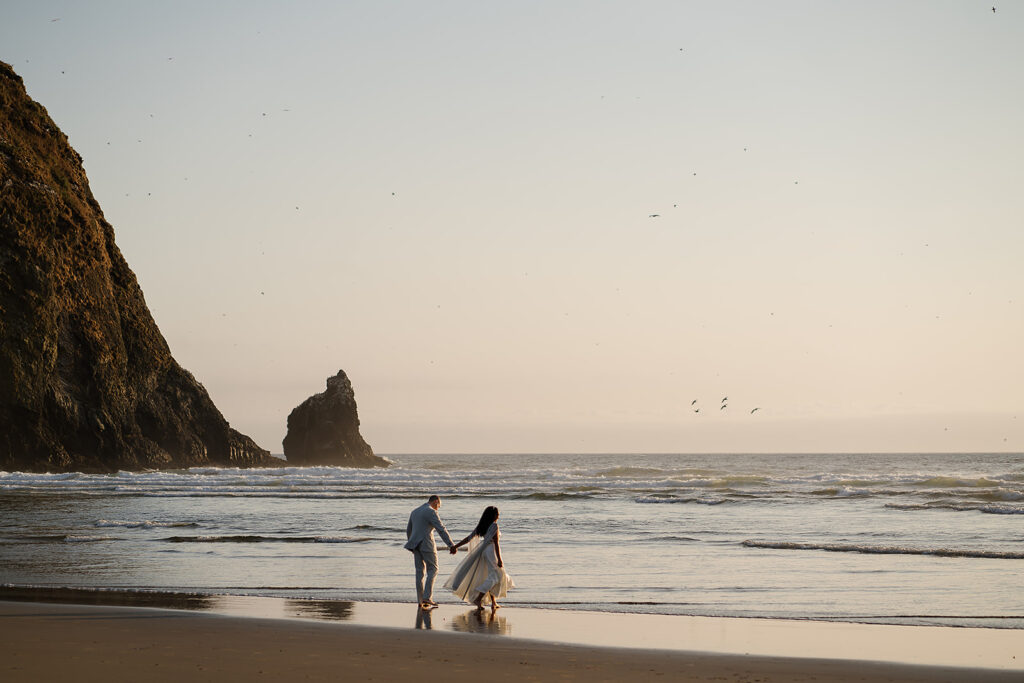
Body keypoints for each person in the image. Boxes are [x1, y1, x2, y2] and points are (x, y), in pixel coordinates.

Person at [444, 505, 515, 610]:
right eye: (497, 514)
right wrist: (499, 559)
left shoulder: (482, 525)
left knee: (490, 574)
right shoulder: (494, 526)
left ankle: (493, 602)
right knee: (496, 576)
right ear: (493, 515)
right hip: (491, 551)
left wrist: (455, 546)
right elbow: (496, 543)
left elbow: (468, 538)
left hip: (485, 551)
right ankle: (479, 597)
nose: (498, 517)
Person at [404, 495, 455, 610]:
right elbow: (441, 529)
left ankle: (420, 601)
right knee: (433, 569)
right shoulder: (431, 512)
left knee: (419, 573)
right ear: (436, 501)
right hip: (427, 543)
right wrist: (451, 545)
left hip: (415, 545)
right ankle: (427, 597)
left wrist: (412, 544)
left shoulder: (415, 511)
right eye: (439, 506)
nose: (438, 509)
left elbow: (409, 530)